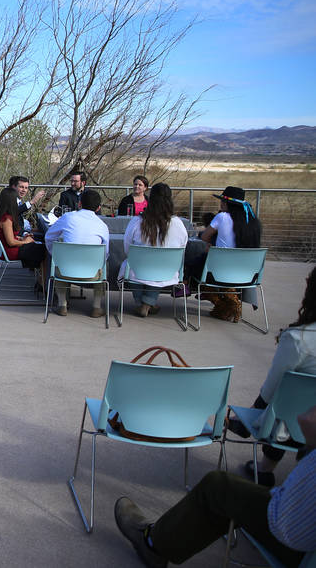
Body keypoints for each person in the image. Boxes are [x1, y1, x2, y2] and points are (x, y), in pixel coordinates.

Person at [114, 404, 316, 568]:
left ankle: (153, 544)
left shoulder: (296, 350)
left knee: (219, 487)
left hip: (300, 544)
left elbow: (288, 527)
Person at [226, 265, 316, 486]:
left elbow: (272, 388)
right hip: (305, 423)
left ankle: (265, 468)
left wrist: (254, 412)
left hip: (296, 425)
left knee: (284, 401)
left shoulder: (298, 339)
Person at [189, 185, 264, 322]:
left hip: (219, 272)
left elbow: (204, 237)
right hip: (246, 275)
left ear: (228, 204)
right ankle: (227, 305)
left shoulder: (222, 217)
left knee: (193, 268)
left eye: (223, 201)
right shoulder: (253, 222)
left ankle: (225, 305)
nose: (221, 203)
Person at [118, 183, 188, 317]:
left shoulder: (137, 221)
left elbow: (127, 248)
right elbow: (182, 248)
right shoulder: (178, 224)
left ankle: (141, 303)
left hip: (139, 268)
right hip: (166, 270)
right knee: (158, 266)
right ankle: (149, 302)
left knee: (134, 265)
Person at [43, 188, 110, 318]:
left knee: (58, 263)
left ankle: (62, 304)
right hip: (92, 275)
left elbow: (49, 237)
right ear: (98, 208)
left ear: (79, 204)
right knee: (105, 265)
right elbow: (105, 253)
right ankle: (96, 306)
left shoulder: (67, 217)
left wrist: (55, 255)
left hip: (65, 271)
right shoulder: (102, 225)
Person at [0, 186, 47, 273]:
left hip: (11, 249)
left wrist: (22, 238)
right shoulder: (6, 219)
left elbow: (9, 237)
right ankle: (43, 282)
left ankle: (40, 280)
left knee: (39, 247)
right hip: (11, 252)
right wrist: (26, 242)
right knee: (45, 250)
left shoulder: (1, 215)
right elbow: (11, 242)